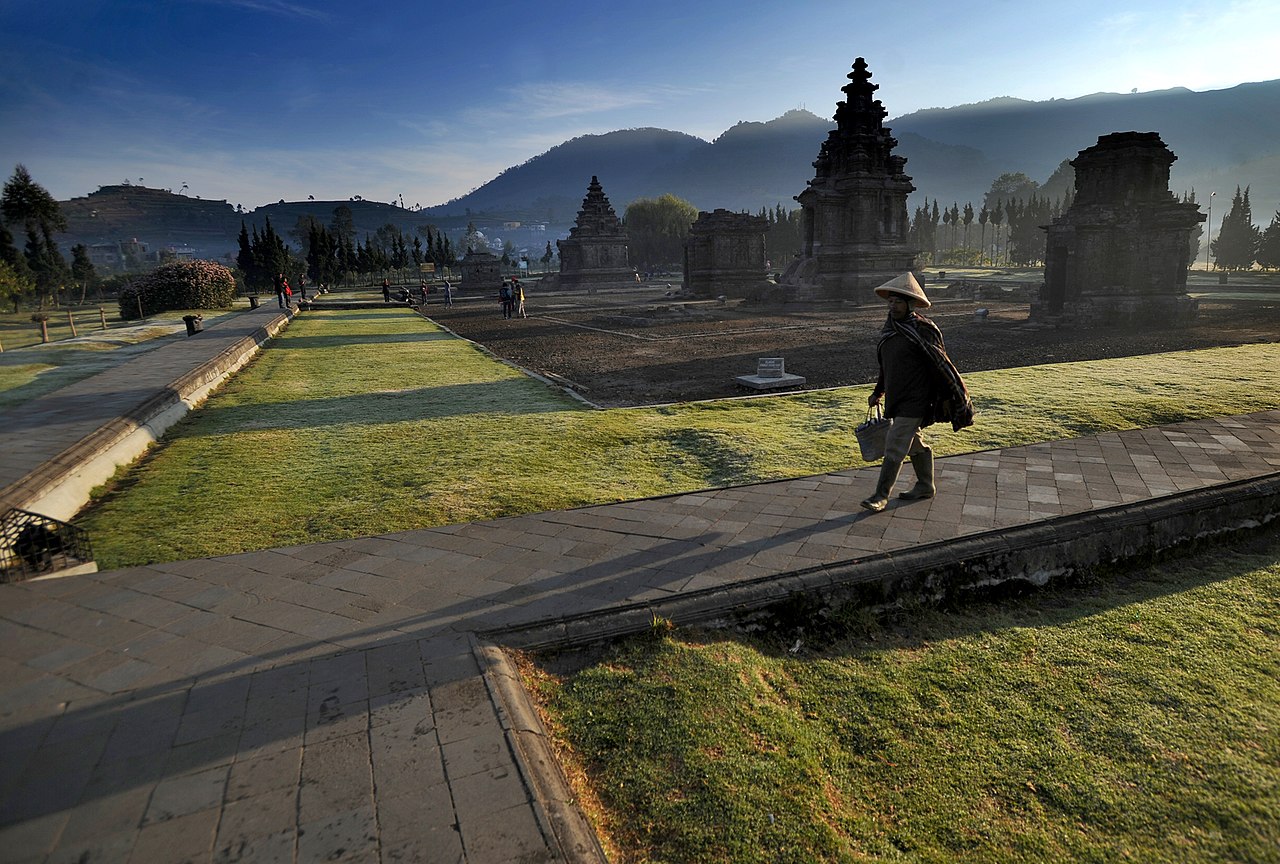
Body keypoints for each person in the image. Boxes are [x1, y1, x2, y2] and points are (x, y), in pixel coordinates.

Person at [861, 273, 973, 513]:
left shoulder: (922, 331)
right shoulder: (890, 330)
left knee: (895, 443)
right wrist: (878, 392)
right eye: (891, 301)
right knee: (914, 443)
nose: (893, 306)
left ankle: (880, 495)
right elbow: (886, 367)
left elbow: (940, 366)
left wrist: (947, 397)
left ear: (910, 304)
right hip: (897, 398)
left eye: (899, 302)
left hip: (917, 400)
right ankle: (925, 485)